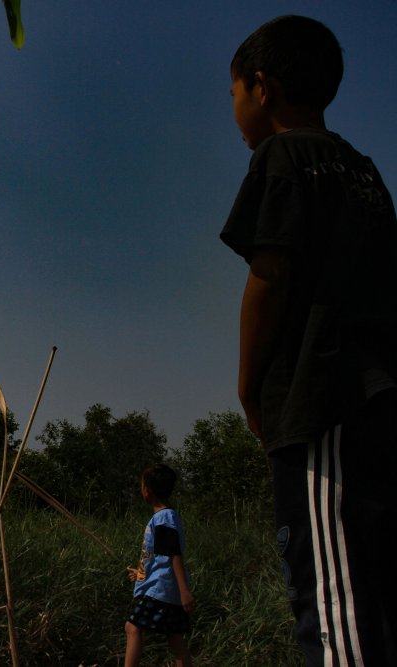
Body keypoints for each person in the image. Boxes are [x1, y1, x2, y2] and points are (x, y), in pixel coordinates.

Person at [221, 14, 397, 666]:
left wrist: (249, 389)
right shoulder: (365, 171)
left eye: (234, 94)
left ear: (262, 88)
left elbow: (268, 277)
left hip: (321, 401)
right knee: (379, 586)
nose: (235, 111)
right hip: (380, 397)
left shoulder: (282, 156)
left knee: (332, 595)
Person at [124, 464, 194, 667]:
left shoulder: (163, 518)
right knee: (174, 638)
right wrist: (140, 574)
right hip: (164, 589)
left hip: (160, 590)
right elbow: (161, 558)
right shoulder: (165, 517)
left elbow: (174, 554)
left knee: (132, 627)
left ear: (148, 490)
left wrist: (184, 591)